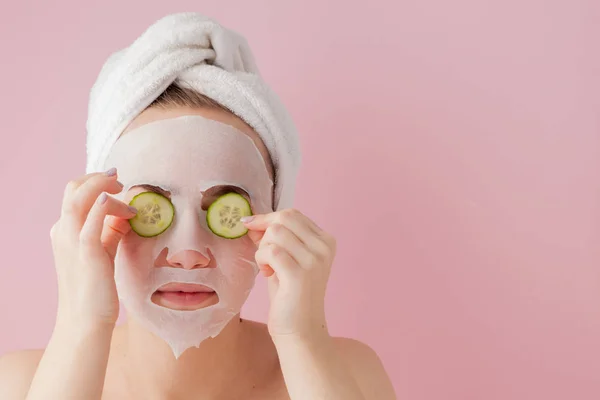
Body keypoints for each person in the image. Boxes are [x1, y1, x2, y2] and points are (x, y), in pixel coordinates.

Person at [0, 13, 396, 400]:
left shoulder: (346, 373)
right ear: (98, 218)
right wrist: (79, 324)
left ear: (273, 218)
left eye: (226, 210)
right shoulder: (20, 384)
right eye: (150, 210)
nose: (188, 254)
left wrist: (302, 337)